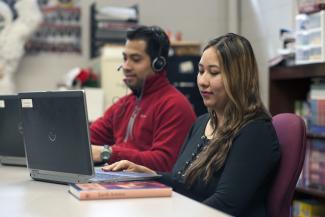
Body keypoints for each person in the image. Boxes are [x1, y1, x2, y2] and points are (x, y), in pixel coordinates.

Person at [102, 33, 281, 217]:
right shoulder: (202, 123)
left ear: (239, 78)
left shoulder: (255, 131)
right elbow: (183, 184)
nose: (203, 81)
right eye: (201, 71)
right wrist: (148, 174)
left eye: (214, 72)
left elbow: (225, 205)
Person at [90, 25, 196, 172]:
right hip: (124, 185)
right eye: (125, 58)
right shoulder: (124, 104)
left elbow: (165, 163)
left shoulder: (175, 106)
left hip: (156, 191)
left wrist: (108, 153)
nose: (126, 66)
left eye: (135, 59)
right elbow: (90, 136)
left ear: (158, 64)